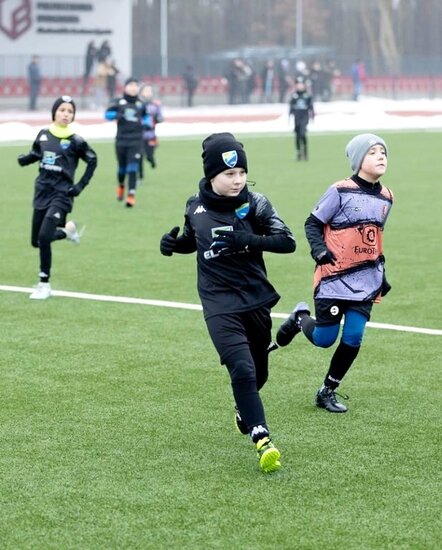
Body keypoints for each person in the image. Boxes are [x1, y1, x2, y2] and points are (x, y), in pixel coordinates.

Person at [159, 132, 296, 473]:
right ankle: (262, 438)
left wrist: (246, 239)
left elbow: (287, 241)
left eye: (242, 173)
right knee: (242, 368)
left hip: (255, 298)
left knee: (258, 373)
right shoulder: (194, 206)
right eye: (229, 174)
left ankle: (243, 410)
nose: (238, 180)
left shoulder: (257, 203)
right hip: (218, 301)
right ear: (211, 176)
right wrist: (173, 245)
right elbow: (193, 240)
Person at [275, 134, 393, 413]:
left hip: (366, 281)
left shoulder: (388, 197)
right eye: (373, 152)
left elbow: (373, 237)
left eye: (383, 152)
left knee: (353, 336)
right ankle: (300, 318)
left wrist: (381, 274)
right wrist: (318, 250)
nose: (380, 156)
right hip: (333, 278)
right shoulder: (339, 191)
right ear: (358, 160)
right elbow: (312, 223)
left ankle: (326, 390)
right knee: (324, 339)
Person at [17, 96, 98, 300]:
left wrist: (80, 186)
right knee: (36, 241)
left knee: (44, 237)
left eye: (70, 111)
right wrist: (24, 159)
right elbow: (37, 153)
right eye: (62, 110)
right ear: (54, 112)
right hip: (41, 191)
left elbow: (92, 160)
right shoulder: (43, 134)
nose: (66, 114)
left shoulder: (76, 140)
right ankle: (67, 231)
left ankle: (44, 284)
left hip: (62, 194)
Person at [105, 77, 148, 207]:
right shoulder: (118, 102)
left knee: (132, 168)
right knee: (122, 169)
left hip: (136, 140)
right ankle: (121, 185)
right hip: (121, 140)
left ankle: (131, 196)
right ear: (125, 87)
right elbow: (107, 115)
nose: (133, 88)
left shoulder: (141, 103)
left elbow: (146, 117)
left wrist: (145, 123)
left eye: (136, 85)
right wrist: (116, 115)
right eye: (131, 85)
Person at [138, 83, 164, 180]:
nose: (148, 93)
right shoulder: (138, 104)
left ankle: (151, 160)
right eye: (146, 91)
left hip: (151, 135)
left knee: (149, 155)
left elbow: (160, 117)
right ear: (141, 92)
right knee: (139, 156)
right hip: (139, 135)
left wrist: (157, 118)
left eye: (149, 91)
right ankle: (140, 176)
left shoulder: (155, 105)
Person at [289, 76, 315, 161]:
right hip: (297, 118)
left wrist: (312, 116)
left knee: (302, 133)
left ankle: (305, 151)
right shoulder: (294, 95)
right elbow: (291, 107)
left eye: (301, 84)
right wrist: (290, 116)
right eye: (298, 84)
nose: (300, 86)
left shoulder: (307, 96)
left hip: (304, 117)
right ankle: (298, 152)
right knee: (297, 135)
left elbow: (311, 107)